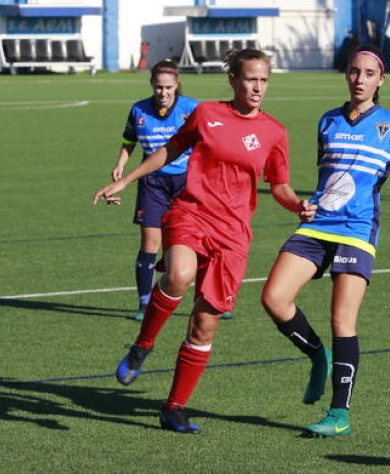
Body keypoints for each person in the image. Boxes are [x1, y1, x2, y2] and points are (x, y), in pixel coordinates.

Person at [93, 48, 316, 435]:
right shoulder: (207, 113)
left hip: (233, 235)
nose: (258, 87)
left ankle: (174, 408)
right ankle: (143, 344)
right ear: (233, 80)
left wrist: (297, 204)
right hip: (192, 212)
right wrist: (126, 180)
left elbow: (280, 185)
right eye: (250, 79)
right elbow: (170, 149)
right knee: (179, 274)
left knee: (204, 325)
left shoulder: (274, 131)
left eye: (264, 80)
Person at [261, 44, 390, 437]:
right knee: (273, 298)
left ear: (381, 80)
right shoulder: (327, 121)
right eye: (355, 72)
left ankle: (339, 413)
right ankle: (317, 355)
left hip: (357, 229)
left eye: (369, 74)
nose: (360, 79)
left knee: (342, 320)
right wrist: (304, 205)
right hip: (317, 224)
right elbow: (328, 178)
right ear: (347, 74)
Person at [111, 59, 198, 321]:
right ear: (152, 84)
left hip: (186, 182)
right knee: (150, 242)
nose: (163, 92)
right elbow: (129, 140)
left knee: (196, 242)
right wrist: (120, 164)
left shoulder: (191, 108)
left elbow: (210, 141)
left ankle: (209, 299)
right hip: (152, 183)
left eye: (168, 87)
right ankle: (145, 302)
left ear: (176, 85)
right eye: (159, 87)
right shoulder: (139, 109)